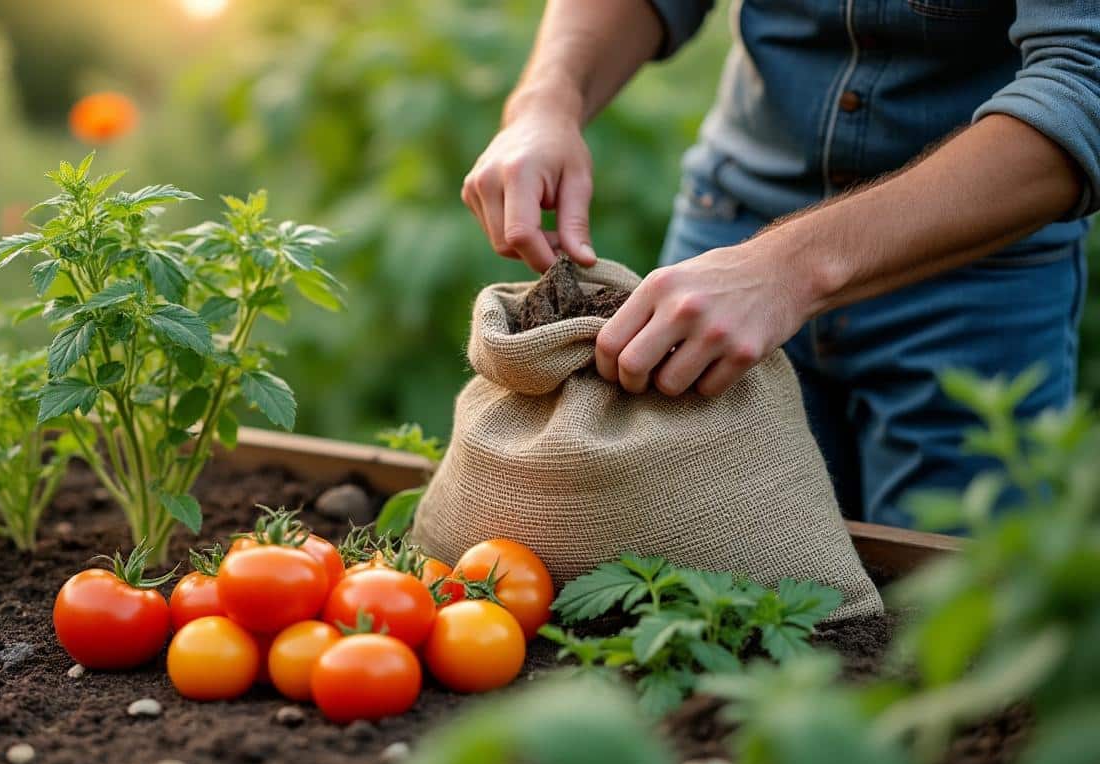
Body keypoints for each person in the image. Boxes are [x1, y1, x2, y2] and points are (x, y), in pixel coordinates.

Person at [461, 0, 1098, 528]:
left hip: (970, 276)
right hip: (727, 241)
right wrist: (546, 102)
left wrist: (791, 269)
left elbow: (1084, 83)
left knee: (949, 636)